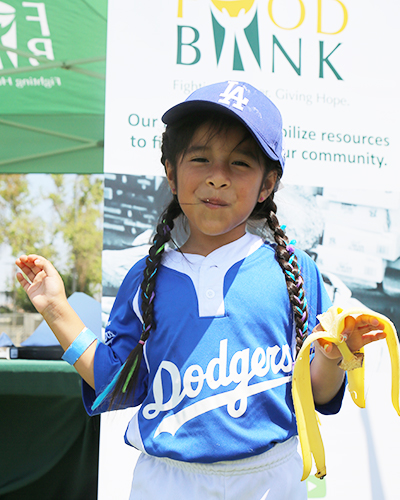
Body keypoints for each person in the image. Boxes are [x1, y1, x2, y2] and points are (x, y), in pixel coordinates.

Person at [16, 81, 386, 500]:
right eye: (200, 159)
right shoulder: (144, 279)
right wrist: (55, 309)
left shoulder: (297, 272)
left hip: (273, 479)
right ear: (171, 173)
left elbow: (318, 393)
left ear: (267, 185)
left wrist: (337, 355)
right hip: (167, 483)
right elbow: (117, 384)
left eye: (240, 163)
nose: (217, 178)